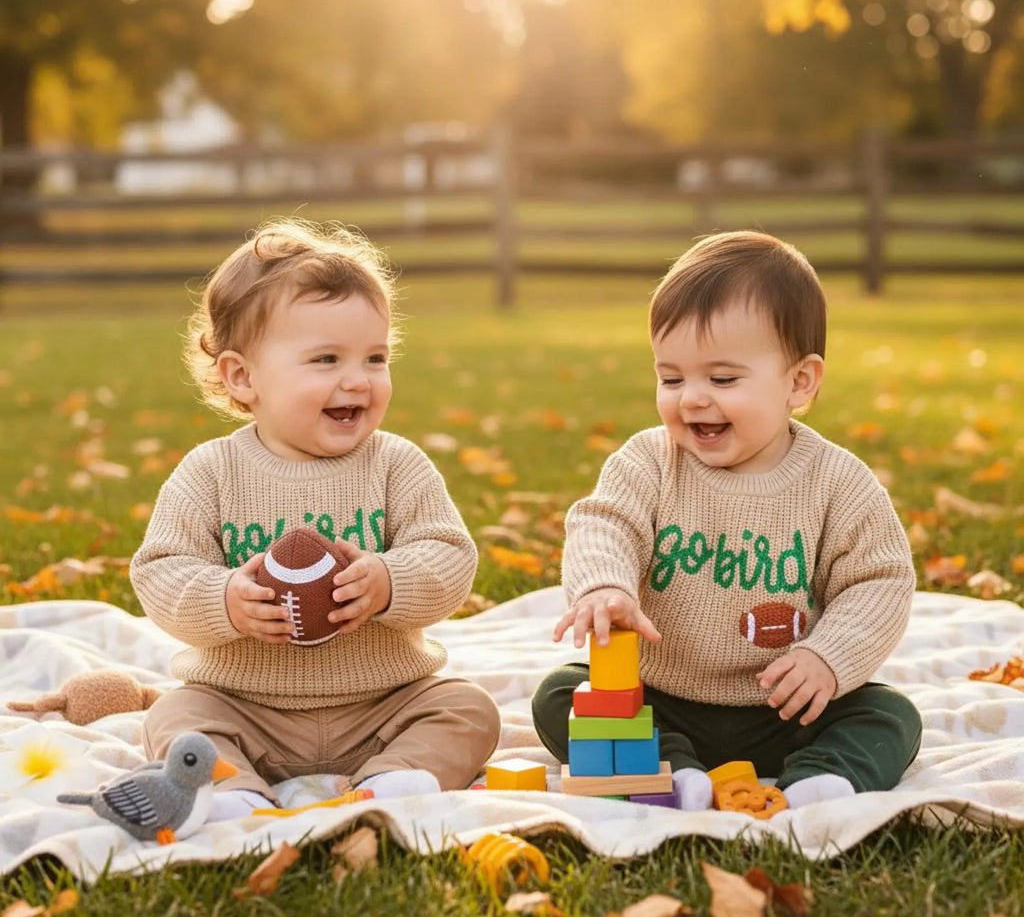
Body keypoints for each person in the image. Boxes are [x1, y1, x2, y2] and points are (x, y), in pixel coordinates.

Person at [531, 230, 921, 811]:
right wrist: (605, 587)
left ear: (799, 381)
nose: (691, 398)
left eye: (721, 379)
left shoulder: (837, 481)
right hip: (660, 697)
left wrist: (827, 658)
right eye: (671, 378)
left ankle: (821, 779)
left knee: (891, 714)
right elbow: (604, 524)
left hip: (785, 706)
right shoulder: (649, 461)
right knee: (561, 693)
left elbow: (880, 580)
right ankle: (672, 771)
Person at [131, 218, 500, 819]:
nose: (357, 380)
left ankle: (391, 782)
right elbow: (159, 570)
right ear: (242, 377)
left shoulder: (395, 464)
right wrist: (225, 599)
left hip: (384, 705)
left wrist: (388, 582)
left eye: (375, 358)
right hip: (246, 705)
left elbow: (449, 554)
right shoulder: (212, 472)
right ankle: (233, 792)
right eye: (326, 359)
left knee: (469, 709)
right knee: (176, 716)